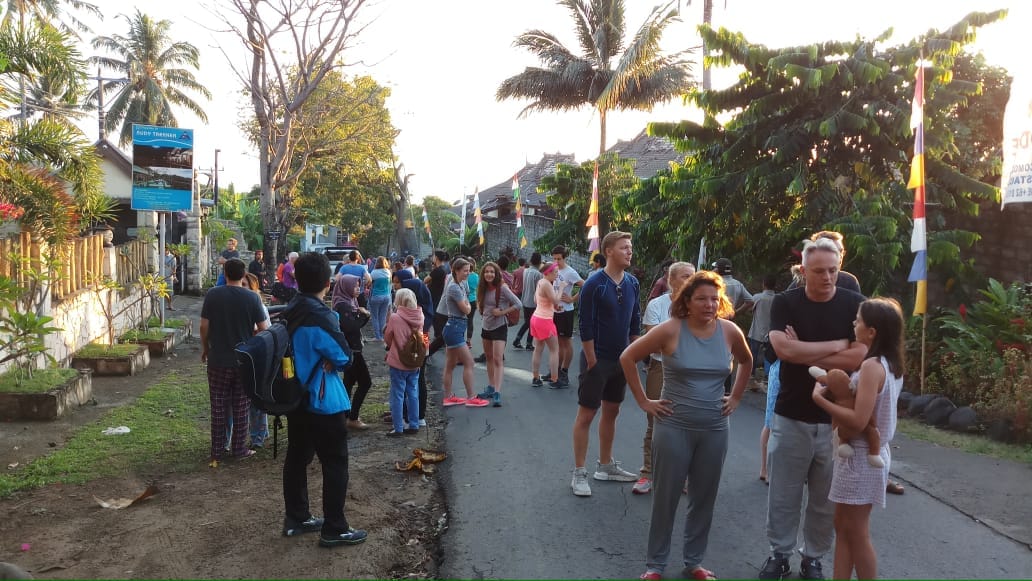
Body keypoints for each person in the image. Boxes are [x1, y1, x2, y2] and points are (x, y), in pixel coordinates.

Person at [620, 270, 752, 581]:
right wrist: (644, 402)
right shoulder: (670, 330)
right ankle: (655, 565)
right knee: (665, 498)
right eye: (702, 299)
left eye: (714, 299)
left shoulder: (730, 331)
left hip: (715, 428)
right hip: (673, 425)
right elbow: (628, 357)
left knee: (704, 496)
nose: (709, 304)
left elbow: (746, 361)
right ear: (687, 302)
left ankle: (694, 561)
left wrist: (735, 397)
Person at [759, 237, 867, 580]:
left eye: (833, 270)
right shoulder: (785, 302)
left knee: (825, 498)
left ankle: (814, 558)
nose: (827, 277)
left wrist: (805, 349)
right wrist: (838, 345)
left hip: (837, 420)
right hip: (790, 413)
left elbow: (860, 355)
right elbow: (783, 351)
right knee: (783, 494)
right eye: (819, 271)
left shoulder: (856, 304)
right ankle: (779, 554)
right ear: (803, 271)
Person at [811, 298, 905, 581]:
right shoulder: (889, 364)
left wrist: (819, 399)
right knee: (843, 525)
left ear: (872, 331)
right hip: (861, 454)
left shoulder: (873, 367)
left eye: (858, 320)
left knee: (857, 531)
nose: (854, 324)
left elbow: (858, 420)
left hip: (861, 455)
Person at [280, 252, 367, 548]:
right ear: (327, 284)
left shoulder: (290, 309)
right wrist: (331, 359)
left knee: (297, 457)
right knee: (335, 462)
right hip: (323, 400)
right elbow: (343, 356)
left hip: (295, 396)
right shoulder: (321, 315)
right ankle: (334, 527)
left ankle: (297, 518)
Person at [570, 231, 642, 497]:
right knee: (587, 414)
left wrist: (634, 353)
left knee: (612, 412)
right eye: (624, 247)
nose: (629, 252)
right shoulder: (594, 283)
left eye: (630, 248)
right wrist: (591, 360)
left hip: (622, 359)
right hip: (597, 359)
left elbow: (635, 321)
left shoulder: (633, 283)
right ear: (609, 251)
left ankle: (605, 465)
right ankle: (579, 473)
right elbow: (585, 324)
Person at [632, 261, 696, 495]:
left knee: (687, 424)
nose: (690, 280)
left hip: (691, 373)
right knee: (656, 421)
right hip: (661, 369)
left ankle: (684, 476)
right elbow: (654, 343)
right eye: (684, 276)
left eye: (693, 276)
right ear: (671, 280)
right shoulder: (657, 305)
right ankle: (647, 473)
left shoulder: (699, 306)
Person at [199, 258, 269, 466]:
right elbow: (264, 329)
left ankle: (217, 450)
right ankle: (240, 449)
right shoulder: (252, 298)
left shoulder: (213, 294)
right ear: (243, 273)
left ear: (225, 272)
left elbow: (204, 326)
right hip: (243, 361)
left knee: (218, 406)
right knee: (241, 405)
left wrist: (206, 348)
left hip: (218, 359)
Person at [761, 266, 804, 484]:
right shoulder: (787, 302)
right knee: (772, 420)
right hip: (780, 366)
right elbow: (785, 346)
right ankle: (765, 468)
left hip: (799, 370)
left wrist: (801, 346)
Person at [439, 258, 490, 408]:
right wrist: (467, 303)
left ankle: (448, 397)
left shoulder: (461, 284)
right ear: (456, 270)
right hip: (454, 327)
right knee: (469, 362)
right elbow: (467, 309)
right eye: (465, 270)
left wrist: (467, 303)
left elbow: (468, 304)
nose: (468, 273)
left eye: (469, 270)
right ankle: (471, 397)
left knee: (450, 365)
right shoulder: (454, 287)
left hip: (456, 327)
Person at [474, 261, 521, 406]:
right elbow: (479, 302)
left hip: (499, 327)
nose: (489, 274)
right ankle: (491, 386)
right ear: (483, 274)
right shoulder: (482, 288)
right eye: (486, 272)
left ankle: (497, 392)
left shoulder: (502, 288)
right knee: (488, 357)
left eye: (492, 272)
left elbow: (518, 304)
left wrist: (502, 312)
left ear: (496, 274)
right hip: (486, 327)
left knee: (497, 359)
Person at [393, 269, 434, 427]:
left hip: (407, 350)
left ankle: (407, 415)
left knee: (408, 381)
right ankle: (418, 416)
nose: (396, 286)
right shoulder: (424, 313)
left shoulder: (407, 311)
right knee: (418, 379)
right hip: (422, 344)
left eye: (399, 283)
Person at [331, 274, 372, 431]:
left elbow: (356, 324)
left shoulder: (350, 302)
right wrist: (364, 315)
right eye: (354, 286)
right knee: (365, 382)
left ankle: (344, 416)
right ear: (346, 287)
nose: (357, 289)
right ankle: (352, 417)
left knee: (348, 383)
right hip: (351, 350)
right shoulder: (343, 305)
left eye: (358, 285)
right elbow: (351, 327)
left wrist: (362, 315)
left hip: (352, 348)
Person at [384, 288, 425, 436]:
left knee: (397, 394)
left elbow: (388, 337)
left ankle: (398, 427)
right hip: (414, 362)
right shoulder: (420, 315)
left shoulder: (395, 317)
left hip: (398, 361)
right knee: (413, 392)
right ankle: (414, 424)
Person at [551, 245, 584, 386]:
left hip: (566, 311)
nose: (556, 261)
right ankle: (556, 371)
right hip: (555, 311)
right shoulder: (554, 269)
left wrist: (572, 298)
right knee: (557, 343)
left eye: (559, 259)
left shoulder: (570, 272)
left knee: (566, 342)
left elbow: (585, 285)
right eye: (554, 259)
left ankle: (564, 372)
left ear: (564, 258)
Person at [529, 262, 564, 388]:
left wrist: (553, 307)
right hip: (545, 320)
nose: (556, 275)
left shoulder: (540, 282)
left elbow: (536, 300)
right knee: (554, 350)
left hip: (536, 317)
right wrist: (561, 288)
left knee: (538, 348)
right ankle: (554, 380)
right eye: (555, 273)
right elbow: (555, 300)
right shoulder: (546, 284)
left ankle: (535, 377)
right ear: (547, 273)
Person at [513, 252, 543, 350]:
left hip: (525, 299)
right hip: (533, 302)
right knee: (531, 323)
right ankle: (526, 342)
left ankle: (521, 340)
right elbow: (539, 289)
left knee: (528, 322)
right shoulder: (538, 274)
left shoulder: (526, 271)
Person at [425, 250, 451, 357]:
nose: (432, 258)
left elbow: (426, 280)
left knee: (430, 321)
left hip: (434, 296)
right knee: (437, 319)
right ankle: (439, 339)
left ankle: (437, 341)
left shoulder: (438, 270)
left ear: (436, 258)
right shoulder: (445, 269)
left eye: (433, 256)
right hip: (439, 295)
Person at [369, 257, 393, 341]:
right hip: (386, 297)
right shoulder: (388, 272)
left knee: (375, 316)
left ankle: (377, 336)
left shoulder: (374, 273)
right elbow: (390, 284)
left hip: (376, 296)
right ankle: (383, 336)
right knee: (382, 316)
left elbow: (369, 283)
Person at [464, 257, 479, 345]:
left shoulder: (464, 275)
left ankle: (460, 340)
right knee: (470, 320)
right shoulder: (476, 276)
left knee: (461, 320)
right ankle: (469, 341)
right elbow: (478, 287)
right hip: (473, 300)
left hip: (464, 300)